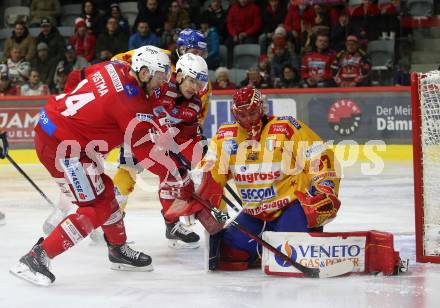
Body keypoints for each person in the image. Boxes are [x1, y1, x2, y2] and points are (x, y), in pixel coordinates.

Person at [10, 46, 173, 286]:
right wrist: (176, 176)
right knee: (94, 209)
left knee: (106, 194)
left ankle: (117, 249)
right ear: (145, 71)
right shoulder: (134, 105)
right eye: (160, 76)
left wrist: (75, 118)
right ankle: (36, 257)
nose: (163, 83)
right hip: (63, 147)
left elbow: (77, 77)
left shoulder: (114, 67)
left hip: (56, 131)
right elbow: (145, 151)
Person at [192, 86, 341, 269]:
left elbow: (318, 155)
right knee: (230, 254)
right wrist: (197, 184)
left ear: (261, 108)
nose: (248, 120)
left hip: (290, 206)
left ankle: (291, 234)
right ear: (235, 115)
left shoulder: (285, 127)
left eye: (252, 113)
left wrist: (323, 187)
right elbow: (211, 170)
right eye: (242, 115)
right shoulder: (226, 137)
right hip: (254, 212)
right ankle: (262, 247)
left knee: (291, 252)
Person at [114, 53, 209, 249]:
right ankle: (110, 222)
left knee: (173, 175)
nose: (195, 88)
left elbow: (187, 135)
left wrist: (198, 151)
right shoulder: (161, 84)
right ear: (180, 75)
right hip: (135, 135)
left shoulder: (195, 102)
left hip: (158, 142)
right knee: (127, 173)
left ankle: (171, 224)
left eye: (199, 84)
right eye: (192, 81)